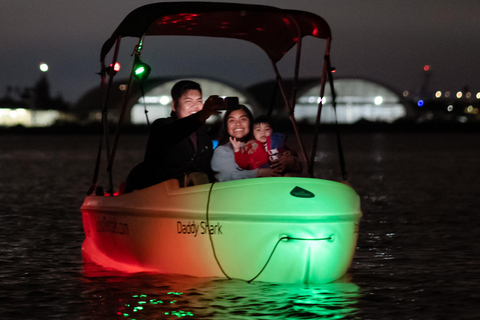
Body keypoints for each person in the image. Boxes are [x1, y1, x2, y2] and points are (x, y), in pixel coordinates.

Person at [124, 80, 224, 192]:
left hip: (188, 197)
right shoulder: (162, 127)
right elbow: (176, 131)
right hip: (154, 195)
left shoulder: (204, 138)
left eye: (199, 101)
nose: (195, 106)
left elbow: (207, 173)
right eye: (188, 101)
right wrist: (202, 115)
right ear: (174, 105)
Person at [211, 106, 301, 182]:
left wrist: (290, 162)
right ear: (226, 126)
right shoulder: (222, 151)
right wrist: (260, 172)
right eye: (232, 120)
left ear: (250, 123)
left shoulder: (267, 144)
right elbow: (228, 177)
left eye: (243, 119)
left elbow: (299, 166)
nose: (238, 124)